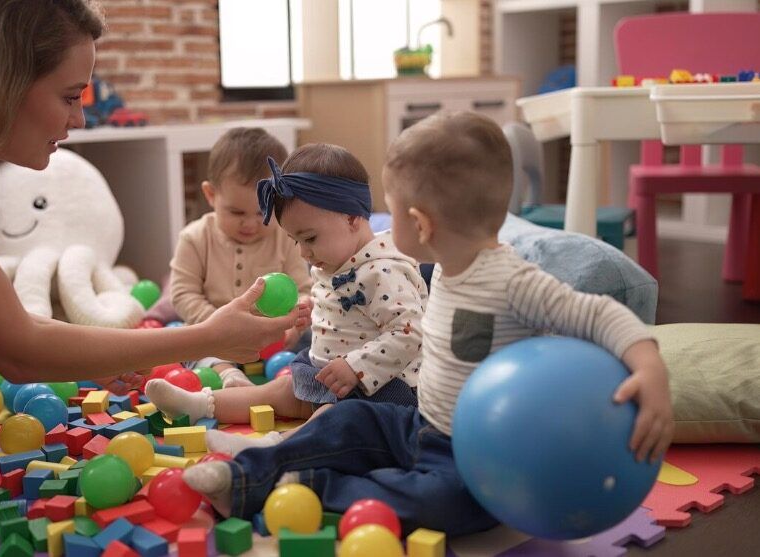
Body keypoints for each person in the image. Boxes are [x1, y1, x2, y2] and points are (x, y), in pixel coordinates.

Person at [0, 0, 306, 536]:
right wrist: (200, 337)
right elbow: (16, 348)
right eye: (68, 96)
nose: (79, 117)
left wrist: (85, 351)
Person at [180, 111, 674, 537]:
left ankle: (310, 490)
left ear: (420, 223)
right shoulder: (443, 269)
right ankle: (246, 475)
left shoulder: (512, 280)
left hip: (475, 454)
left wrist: (648, 365)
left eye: (388, 214)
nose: (379, 225)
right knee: (346, 419)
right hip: (418, 423)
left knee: (450, 505)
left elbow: (597, 311)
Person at [145, 143, 427, 456]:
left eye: (309, 239)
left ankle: (271, 449)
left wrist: (356, 367)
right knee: (279, 389)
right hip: (327, 374)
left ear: (351, 219)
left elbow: (410, 333)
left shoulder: (384, 270)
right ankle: (199, 404)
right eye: (296, 240)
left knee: (334, 419)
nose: (303, 253)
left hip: (378, 389)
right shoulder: (338, 258)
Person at [166, 127, 312, 388]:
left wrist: (295, 323)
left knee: (317, 338)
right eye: (236, 212)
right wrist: (216, 326)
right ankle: (229, 376)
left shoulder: (285, 237)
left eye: (262, 212)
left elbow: (304, 289)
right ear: (211, 195)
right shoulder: (195, 238)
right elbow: (183, 294)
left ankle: (296, 378)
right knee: (185, 343)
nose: (250, 223)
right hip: (214, 335)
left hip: (274, 338)